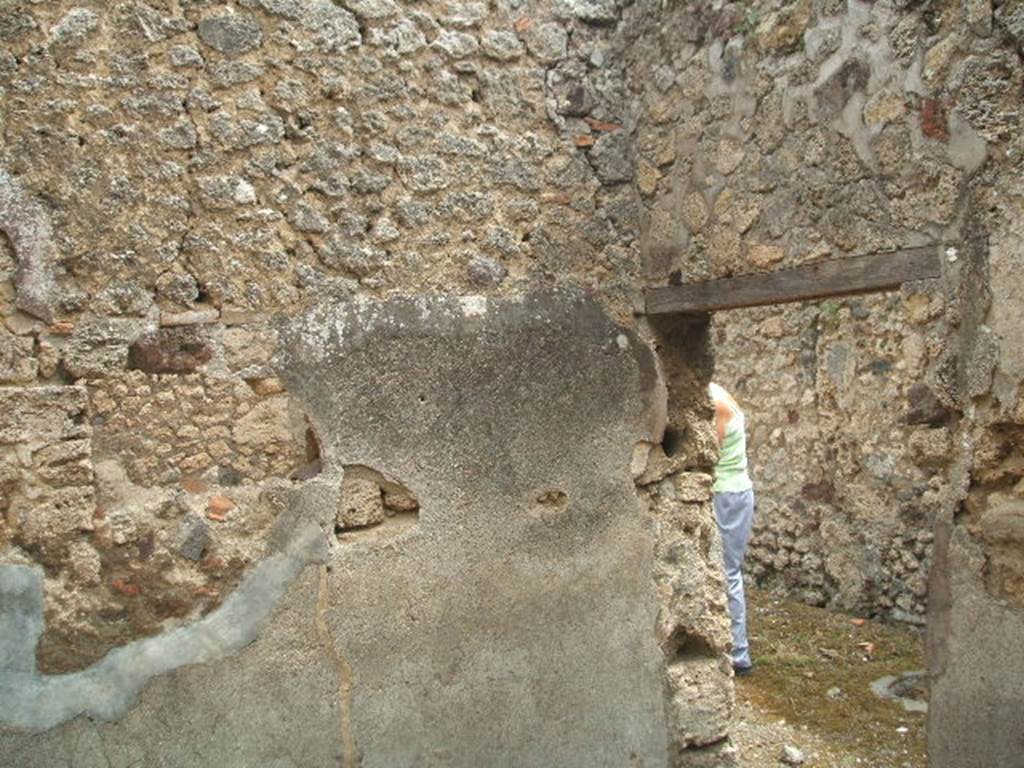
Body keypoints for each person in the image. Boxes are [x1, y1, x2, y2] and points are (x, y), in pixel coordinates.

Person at [709, 381, 755, 675]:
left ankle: (738, 655)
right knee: (729, 571)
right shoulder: (719, 393)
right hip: (734, 492)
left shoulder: (715, 401)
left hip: (726, 494)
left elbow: (707, 452)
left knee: (727, 572)